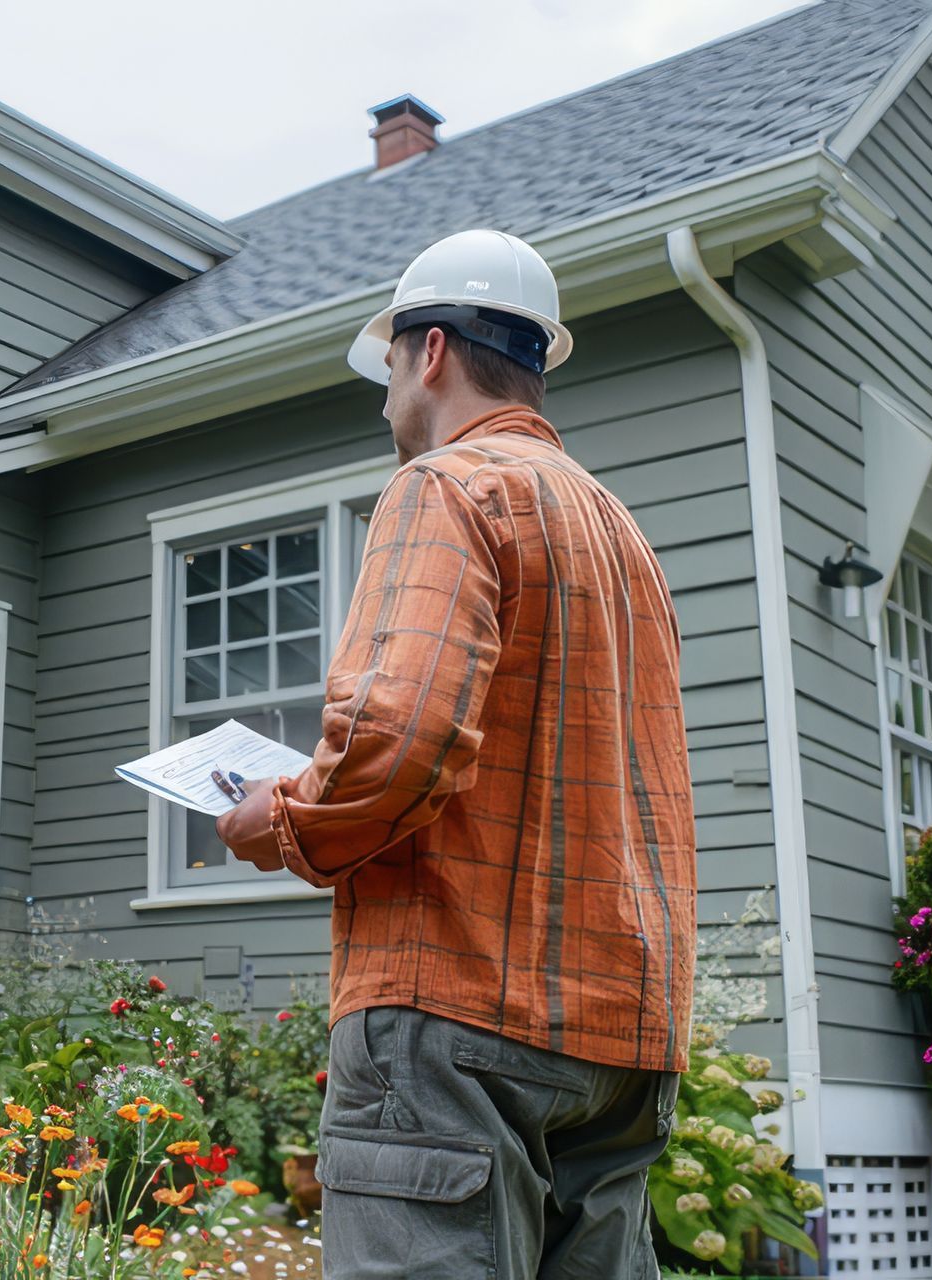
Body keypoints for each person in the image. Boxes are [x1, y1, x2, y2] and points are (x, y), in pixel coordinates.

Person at [214, 229, 697, 1279]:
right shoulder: (624, 534)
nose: (385, 395)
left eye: (387, 365)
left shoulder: (446, 485)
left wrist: (283, 816)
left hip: (457, 1013)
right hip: (621, 1036)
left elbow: (399, 739)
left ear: (429, 351)